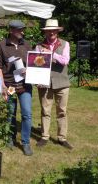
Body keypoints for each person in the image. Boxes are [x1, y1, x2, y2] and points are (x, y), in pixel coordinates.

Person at [0, 20, 33, 156]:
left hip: (25, 85)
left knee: (27, 113)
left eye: (23, 29)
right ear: (11, 30)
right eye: (20, 30)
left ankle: (25, 142)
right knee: (10, 113)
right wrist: (2, 85)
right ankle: (10, 138)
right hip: (10, 86)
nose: (23, 32)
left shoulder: (27, 44)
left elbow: (34, 63)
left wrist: (29, 70)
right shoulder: (1, 45)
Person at [35, 19, 73, 150]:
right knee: (45, 111)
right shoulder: (39, 46)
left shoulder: (65, 44)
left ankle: (62, 138)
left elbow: (65, 61)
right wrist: (37, 79)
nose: (51, 32)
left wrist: (51, 54)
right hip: (44, 83)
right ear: (45, 32)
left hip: (62, 83)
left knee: (62, 111)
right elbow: (36, 65)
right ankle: (44, 136)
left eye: (53, 30)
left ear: (57, 31)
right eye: (48, 30)